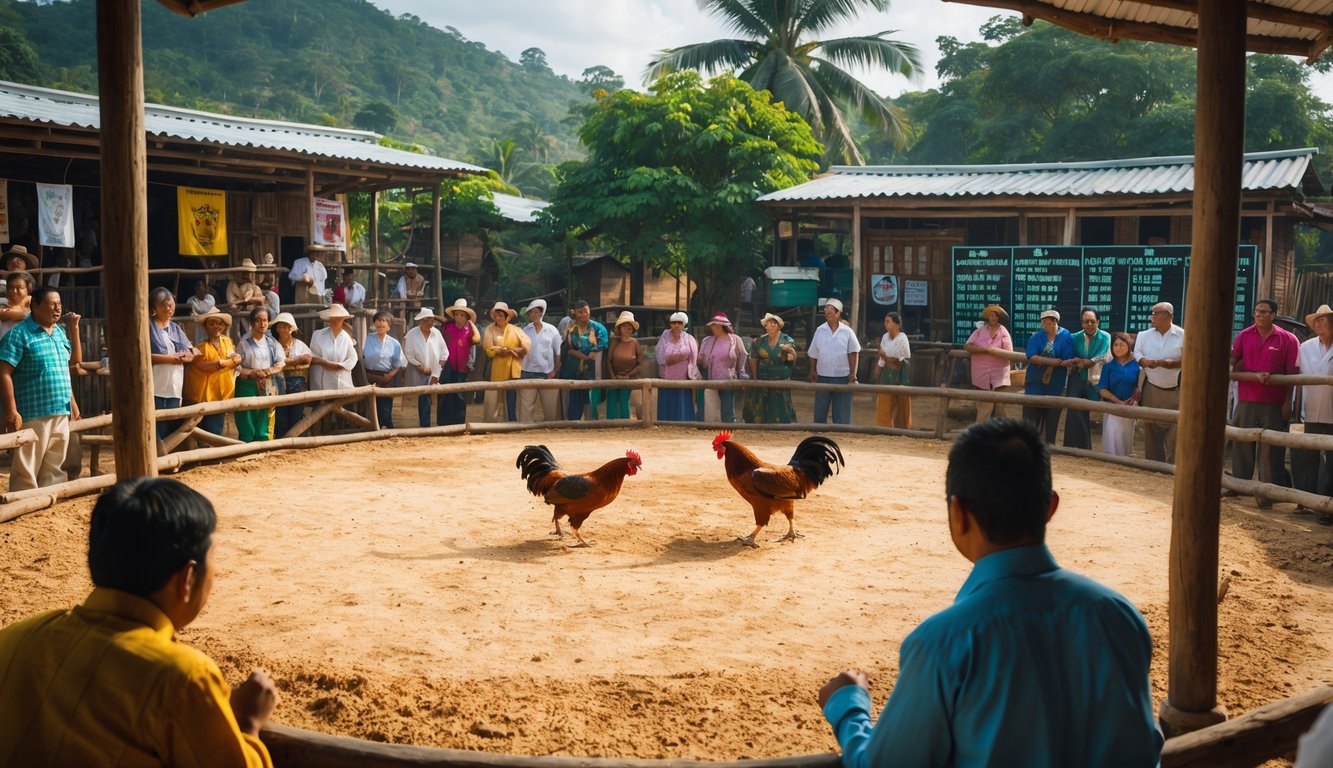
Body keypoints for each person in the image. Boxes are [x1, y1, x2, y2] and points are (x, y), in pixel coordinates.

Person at [817, 418, 1163, 767]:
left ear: (958, 513)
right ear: (1050, 507)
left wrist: (849, 707)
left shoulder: (942, 643)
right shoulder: (1119, 616)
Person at [0, 477, 279, 766]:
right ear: (187, 579)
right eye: (213, 560)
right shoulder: (184, 679)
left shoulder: (12, 639)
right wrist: (248, 725)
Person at [0, 287, 80, 491]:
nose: (57, 308)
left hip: (60, 408)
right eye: (52, 304)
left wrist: (72, 402)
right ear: (35, 306)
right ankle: (22, 502)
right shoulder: (19, 334)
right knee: (27, 465)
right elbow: (4, 372)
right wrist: (11, 410)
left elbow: (65, 368)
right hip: (33, 410)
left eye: (59, 304)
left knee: (55, 464)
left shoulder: (59, 332)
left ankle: (49, 500)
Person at [1228, 299, 1301, 505]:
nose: (1259, 315)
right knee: (1242, 443)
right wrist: (1241, 371)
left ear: (1273, 315)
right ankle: (1239, 486)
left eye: (1264, 311)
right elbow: (1232, 361)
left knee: (1272, 448)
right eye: (1257, 311)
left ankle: (1269, 491)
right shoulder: (1243, 336)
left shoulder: (1288, 339)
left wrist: (1287, 402)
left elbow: (1292, 374)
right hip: (1246, 399)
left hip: (1274, 402)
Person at [1293, 304, 1333, 523]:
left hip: (1331, 410)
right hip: (1310, 409)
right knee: (1308, 457)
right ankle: (1307, 501)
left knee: (1331, 461)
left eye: (1322, 320)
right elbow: (1297, 376)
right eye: (1316, 321)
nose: (1318, 324)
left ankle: (1326, 507)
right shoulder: (1306, 347)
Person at [1133, 302, 1184, 463]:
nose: (1152, 316)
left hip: (1175, 391)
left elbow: (1190, 358)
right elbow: (1137, 353)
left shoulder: (1183, 335)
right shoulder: (1143, 335)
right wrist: (1144, 361)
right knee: (1151, 432)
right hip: (1151, 388)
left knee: (1175, 433)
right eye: (1152, 313)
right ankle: (1153, 468)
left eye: (1156, 313)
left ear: (1167, 315)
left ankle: (1171, 469)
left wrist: (1172, 364)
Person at [148, 286, 197, 442]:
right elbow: (143, 356)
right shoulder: (148, 327)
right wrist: (171, 359)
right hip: (154, 385)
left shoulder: (175, 328)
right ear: (154, 308)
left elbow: (191, 350)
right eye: (165, 305)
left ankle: (167, 456)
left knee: (171, 427)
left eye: (171, 305)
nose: (170, 309)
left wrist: (187, 356)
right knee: (155, 427)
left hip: (174, 386)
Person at [185, 307, 240, 436]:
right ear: (205, 326)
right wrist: (225, 363)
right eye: (212, 323)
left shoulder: (227, 342)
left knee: (217, 429)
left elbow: (235, 357)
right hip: (205, 396)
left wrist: (234, 359)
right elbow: (205, 366)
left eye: (220, 323)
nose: (216, 326)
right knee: (207, 429)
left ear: (224, 326)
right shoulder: (201, 347)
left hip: (222, 393)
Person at [1023, 308, 1076, 443]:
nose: (1044, 325)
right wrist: (1053, 361)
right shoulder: (1036, 337)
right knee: (1031, 419)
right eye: (1043, 322)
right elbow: (1032, 356)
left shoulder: (1066, 336)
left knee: (1052, 420)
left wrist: (1043, 360)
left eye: (1047, 322)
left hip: (1055, 384)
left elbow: (1066, 358)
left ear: (1055, 322)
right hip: (1035, 383)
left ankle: (1049, 447)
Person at [1064, 306, 1111, 450]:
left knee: (1086, 410)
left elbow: (1101, 355)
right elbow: (1069, 355)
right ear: (1081, 323)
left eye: (1092, 321)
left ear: (1098, 322)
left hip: (1095, 380)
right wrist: (1080, 361)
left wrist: (1085, 361)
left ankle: (1085, 448)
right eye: (1086, 322)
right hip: (1077, 379)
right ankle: (1070, 447)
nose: (1089, 324)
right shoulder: (1074, 337)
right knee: (1073, 410)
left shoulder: (1105, 336)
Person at [234, 307, 284, 442]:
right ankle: (247, 445)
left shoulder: (272, 342)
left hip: (267, 383)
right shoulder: (244, 343)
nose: (262, 324)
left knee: (265, 414)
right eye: (258, 320)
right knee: (247, 415)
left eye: (265, 320)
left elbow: (281, 362)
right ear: (252, 323)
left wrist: (268, 371)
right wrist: (251, 372)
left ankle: (264, 444)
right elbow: (236, 366)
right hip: (247, 384)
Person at [807, 298, 859, 424]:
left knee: (842, 415)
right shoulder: (820, 330)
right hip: (823, 376)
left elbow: (853, 353)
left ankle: (842, 433)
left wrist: (853, 374)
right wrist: (813, 370)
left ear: (838, 313)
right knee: (820, 414)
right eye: (826, 309)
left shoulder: (847, 332)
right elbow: (813, 353)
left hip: (842, 377)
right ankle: (819, 433)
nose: (827, 312)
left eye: (831, 310)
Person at [964, 304, 1014, 422]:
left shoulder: (1003, 331)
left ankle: (1003, 428)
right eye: (991, 315)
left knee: (1000, 405)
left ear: (998, 317)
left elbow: (1009, 352)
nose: (993, 317)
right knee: (984, 403)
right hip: (981, 372)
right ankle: (981, 427)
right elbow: (967, 346)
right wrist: (985, 350)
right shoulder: (980, 331)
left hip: (999, 372)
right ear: (988, 317)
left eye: (996, 315)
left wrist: (994, 351)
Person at [482, 301, 530, 422]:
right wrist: (498, 351)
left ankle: (512, 420)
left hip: (512, 366)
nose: (498, 318)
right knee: (494, 396)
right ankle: (490, 421)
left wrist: (515, 350)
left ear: (506, 316)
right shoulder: (490, 329)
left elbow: (526, 344)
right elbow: (488, 348)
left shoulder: (516, 329)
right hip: (497, 366)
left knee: (511, 395)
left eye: (501, 315)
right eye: (496, 315)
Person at [560, 300, 607, 420]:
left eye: (585, 311)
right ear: (574, 313)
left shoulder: (598, 327)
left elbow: (603, 342)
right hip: (574, 368)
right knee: (575, 396)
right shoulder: (571, 328)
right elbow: (567, 347)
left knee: (591, 397)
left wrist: (594, 350)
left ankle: (591, 421)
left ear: (589, 311)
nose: (583, 314)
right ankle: (573, 422)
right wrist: (581, 356)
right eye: (579, 312)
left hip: (593, 367)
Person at [746, 312, 797, 424]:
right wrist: (755, 377)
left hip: (780, 379)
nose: (773, 324)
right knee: (760, 406)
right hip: (763, 378)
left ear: (779, 326)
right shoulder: (758, 341)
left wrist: (788, 354)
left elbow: (792, 356)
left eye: (775, 323)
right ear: (765, 326)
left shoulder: (787, 340)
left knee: (781, 406)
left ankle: (783, 425)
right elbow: (753, 358)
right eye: (770, 322)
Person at [403, 307, 449, 428]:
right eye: (426, 320)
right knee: (424, 395)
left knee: (435, 396)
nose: (429, 323)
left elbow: (444, 353)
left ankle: (436, 423)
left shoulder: (437, 333)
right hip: (418, 370)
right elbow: (409, 354)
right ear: (420, 321)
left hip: (436, 369)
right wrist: (420, 367)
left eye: (431, 320)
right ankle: (425, 424)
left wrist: (436, 372)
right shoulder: (412, 334)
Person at [1097, 332, 1141, 457]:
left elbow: (1139, 386)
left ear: (1129, 346)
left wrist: (1134, 398)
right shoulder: (1108, 367)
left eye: (1122, 345)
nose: (1118, 348)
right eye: (1115, 345)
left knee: (1125, 439)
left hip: (1130, 407)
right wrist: (1118, 402)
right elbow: (1102, 389)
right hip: (1112, 407)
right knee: (1112, 438)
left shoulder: (1137, 366)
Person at [698, 312, 747, 423]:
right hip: (709, 378)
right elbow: (701, 358)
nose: (713, 328)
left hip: (728, 378)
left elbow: (743, 356)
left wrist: (741, 372)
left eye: (715, 326)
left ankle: (728, 426)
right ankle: (710, 425)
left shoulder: (735, 340)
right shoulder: (707, 341)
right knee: (710, 406)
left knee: (727, 404)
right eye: (712, 326)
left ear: (722, 327)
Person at [519, 299, 562, 423]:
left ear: (541, 313)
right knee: (526, 407)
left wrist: (555, 370)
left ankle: (550, 428)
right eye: (531, 312)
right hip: (527, 371)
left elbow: (558, 352)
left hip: (547, 373)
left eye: (537, 312)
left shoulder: (552, 330)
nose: (534, 315)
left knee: (550, 408)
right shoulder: (525, 330)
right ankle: (525, 428)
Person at [439, 299, 481, 425]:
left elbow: (477, 339)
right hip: (447, 365)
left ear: (466, 317)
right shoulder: (447, 327)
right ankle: (443, 422)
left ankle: (458, 422)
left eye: (462, 315)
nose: (459, 317)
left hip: (462, 366)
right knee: (445, 392)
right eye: (456, 314)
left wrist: (471, 323)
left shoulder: (469, 330)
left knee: (459, 394)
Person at [270, 312, 311, 439]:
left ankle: (295, 442)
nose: (286, 329)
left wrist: (288, 363)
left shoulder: (299, 344)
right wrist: (296, 362)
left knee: (296, 416)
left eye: (288, 327)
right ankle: (282, 442)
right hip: (277, 386)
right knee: (280, 417)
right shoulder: (272, 344)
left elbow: (308, 359)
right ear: (277, 328)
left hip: (297, 387)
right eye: (283, 326)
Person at [655, 311, 699, 422]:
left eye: (679, 323)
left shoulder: (689, 338)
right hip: (667, 376)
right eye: (674, 323)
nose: (676, 325)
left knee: (682, 401)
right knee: (667, 401)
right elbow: (660, 356)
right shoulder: (665, 336)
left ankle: (684, 422)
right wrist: (679, 357)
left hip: (683, 377)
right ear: (670, 324)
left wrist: (673, 358)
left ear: (684, 324)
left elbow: (693, 358)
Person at [308, 303, 358, 392]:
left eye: (338, 319)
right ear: (329, 319)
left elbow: (353, 358)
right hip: (322, 382)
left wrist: (340, 366)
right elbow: (312, 357)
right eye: (333, 318)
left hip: (342, 382)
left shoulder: (346, 338)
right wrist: (325, 363)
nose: (335, 321)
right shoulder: (318, 335)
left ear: (343, 320)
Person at [874, 311, 911, 429]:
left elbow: (899, 361)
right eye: (885, 321)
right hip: (886, 372)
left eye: (888, 321)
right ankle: (884, 427)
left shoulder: (902, 338)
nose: (885, 324)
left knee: (900, 401)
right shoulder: (885, 337)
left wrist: (885, 357)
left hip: (899, 372)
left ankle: (901, 427)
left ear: (897, 325)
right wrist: (878, 371)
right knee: (884, 400)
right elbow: (881, 358)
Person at [604, 310, 643, 420]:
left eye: (629, 327)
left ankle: (626, 423)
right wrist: (613, 378)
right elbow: (608, 361)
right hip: (614, 378)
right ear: (619, 328)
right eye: (624, 326)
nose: (627, 329)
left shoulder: (635, 343)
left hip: (629, 378)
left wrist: (628, 376)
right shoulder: (614, 342)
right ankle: (611, 424)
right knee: (611, 401)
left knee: (624, 400)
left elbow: (640, 364)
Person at [0, 270, 34, 341]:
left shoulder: (35, 301)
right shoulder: (3, 302)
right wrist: (33, 314)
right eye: (10, 287)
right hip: (7, 344)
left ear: (28, 289)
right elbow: (3, 315)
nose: (14, 291)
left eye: (20, 288)